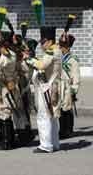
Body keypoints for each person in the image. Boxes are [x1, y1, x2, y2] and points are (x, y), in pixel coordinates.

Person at [24, 26, 62, 154]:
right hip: (53, 86)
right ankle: (54, 144)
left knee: (43, 116)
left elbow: (41, 65)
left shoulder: (51, 52)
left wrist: (28, 59)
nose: (41, 44)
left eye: (43, 42)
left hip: (47, 88)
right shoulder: (56, 50)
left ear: (50, 41)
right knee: (52, 117)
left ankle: (46, 145)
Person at [58, 27, 80, 139]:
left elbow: (76, 76)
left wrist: (74, 90)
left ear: (67, 47)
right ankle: (62, 130)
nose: (60, 48)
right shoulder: (61, 57)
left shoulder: (73, 59)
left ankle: (68, 130)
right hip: (60, 85)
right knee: (62, 108)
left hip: (68, 86)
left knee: (67, 108)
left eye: (62, 46)